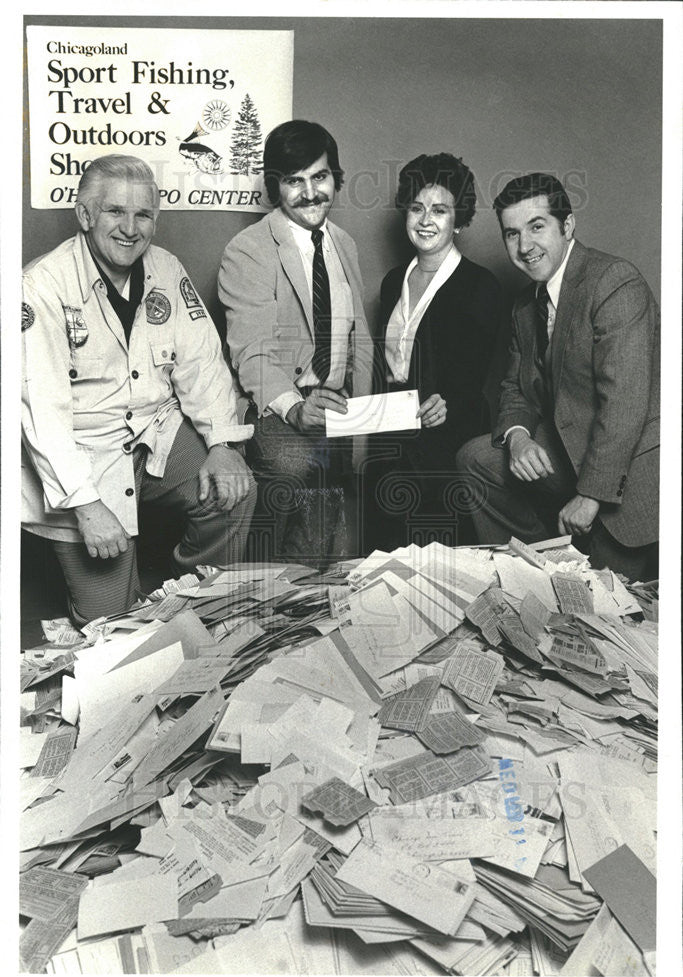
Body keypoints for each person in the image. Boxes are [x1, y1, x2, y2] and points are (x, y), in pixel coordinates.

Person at [22, 154, 256, 626]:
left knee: (234, 489)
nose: (131, 228)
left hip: (155, 430)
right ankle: (123, 606)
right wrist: (85, 505)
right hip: (83, 452)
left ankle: (192, 598)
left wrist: (223, 445)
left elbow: (202, 362)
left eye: (143, 214)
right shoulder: (39, 286)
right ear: (85, 215)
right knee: (111, 625)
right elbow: (39, 410)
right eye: (115, 212)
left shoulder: (166, 268)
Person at [456, 173, 660, 580]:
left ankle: (570, 564)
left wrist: (589, 496)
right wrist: (517, 438)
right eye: (512, 234)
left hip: (629, 467)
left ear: (567, 227)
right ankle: (539, 566)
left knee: (602, 609)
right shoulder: (524, 307)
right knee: (476, 459)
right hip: (569, 448)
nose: (524, 246)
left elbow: (623, 405)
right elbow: (514, 387)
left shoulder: (614, 282)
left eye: (537, 227)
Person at [218, 119, 373, 565]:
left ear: (334, 179)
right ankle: (271, 599)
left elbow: (357, 335)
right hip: (278, 407)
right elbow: (251, 349)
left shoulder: (345, 244)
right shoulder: (248, 249)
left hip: (339, 407)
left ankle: (310, 600)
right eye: (294, 181)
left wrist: (365, 416)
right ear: (275, 186)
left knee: (332, 542)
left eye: (320, 177)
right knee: (298, 469)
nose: (310, 193)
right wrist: (295, 408)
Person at [362, 152, 505, 553]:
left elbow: (473, 375)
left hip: (446, 441)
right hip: (390, 439)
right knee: (383, 563)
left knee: (437, 566)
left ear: (458, 221)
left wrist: (450, 404)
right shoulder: (393, 282)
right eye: (417, 208)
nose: (426, 220)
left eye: (440, 210)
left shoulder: (480, 285)